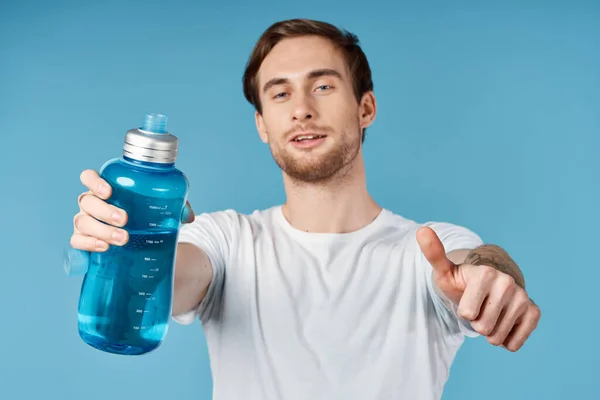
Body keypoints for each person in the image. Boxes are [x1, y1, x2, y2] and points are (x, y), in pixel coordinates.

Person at [70, 18, 541, 400]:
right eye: (279, 93)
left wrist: (492, 277)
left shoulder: (429, 249)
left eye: (322, 87)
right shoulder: (227, 241)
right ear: (262, 124)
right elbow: (168, 282)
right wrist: (123, 240)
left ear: (366, 108)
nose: (300, 109)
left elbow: (478, 264)